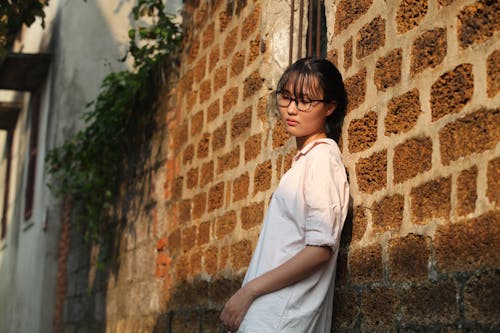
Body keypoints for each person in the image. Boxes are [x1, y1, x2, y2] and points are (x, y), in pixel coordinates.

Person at [220, 57, 350, 333]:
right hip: (269, 315)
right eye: (286, 97)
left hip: (281, 318)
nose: (291, 109)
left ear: (330, 107)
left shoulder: (322, 160)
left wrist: (249, 291)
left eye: (304, 101)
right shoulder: (305, 161)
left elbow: (319, 250)